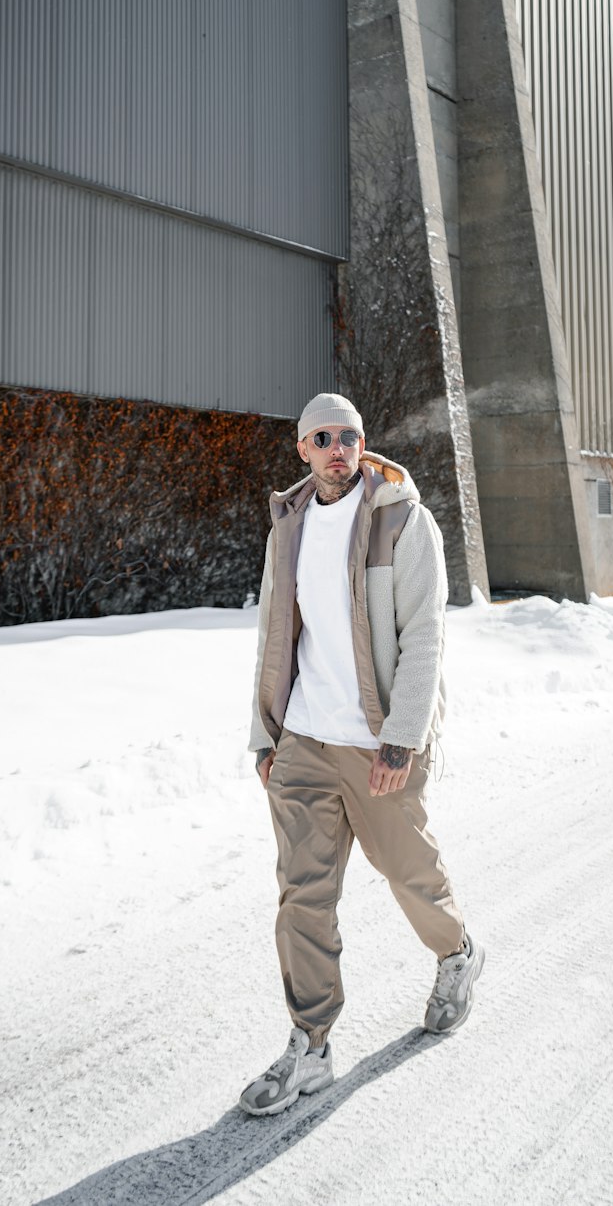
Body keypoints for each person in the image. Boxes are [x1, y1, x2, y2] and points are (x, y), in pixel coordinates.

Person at [239, 392, 484, 1117]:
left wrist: (401, 739)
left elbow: (425, 636)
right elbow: (272, 634)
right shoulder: (287, 527)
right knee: (302, 899)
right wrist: (265, 735)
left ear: (362, 444)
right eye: (324, 437)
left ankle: (457, 954)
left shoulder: (402, 518)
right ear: (303, 450)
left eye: (350, 436)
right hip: (306, 741)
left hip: (377, 740)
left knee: (410, 876)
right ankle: (310, 1047)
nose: (339, 448)